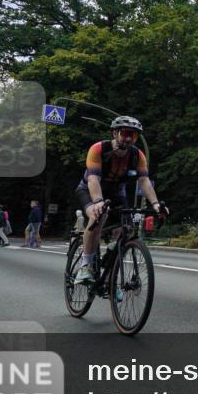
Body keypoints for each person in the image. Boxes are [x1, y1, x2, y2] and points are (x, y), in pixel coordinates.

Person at [72, 116, 168, 285]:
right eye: (125, 134)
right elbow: (93, 178)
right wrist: (98, 202)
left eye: (134, 135)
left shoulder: (137, 155)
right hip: (90, 190)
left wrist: (155, 204)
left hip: (117, 193)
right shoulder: (98, 149)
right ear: (115, 132)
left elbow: (144, 181)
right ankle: (85, 265)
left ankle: (111, 271)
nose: (129, 138)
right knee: (97, 218)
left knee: (128, 231)